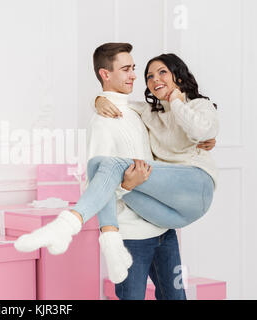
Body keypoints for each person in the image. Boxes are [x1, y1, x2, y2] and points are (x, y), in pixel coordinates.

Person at [14, 43, 218, 299]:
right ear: (105, 74)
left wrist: (200, 133)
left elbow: (193, 131)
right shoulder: (110, 119)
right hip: (133, 237)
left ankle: (69, 224)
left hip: (163, 230)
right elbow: (94, 181)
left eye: (134, 69)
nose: (136, 75)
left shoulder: (144, 113)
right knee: (103, 166)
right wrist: (126, 185)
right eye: (127, 70)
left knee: (176, 297)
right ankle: (100, 236)